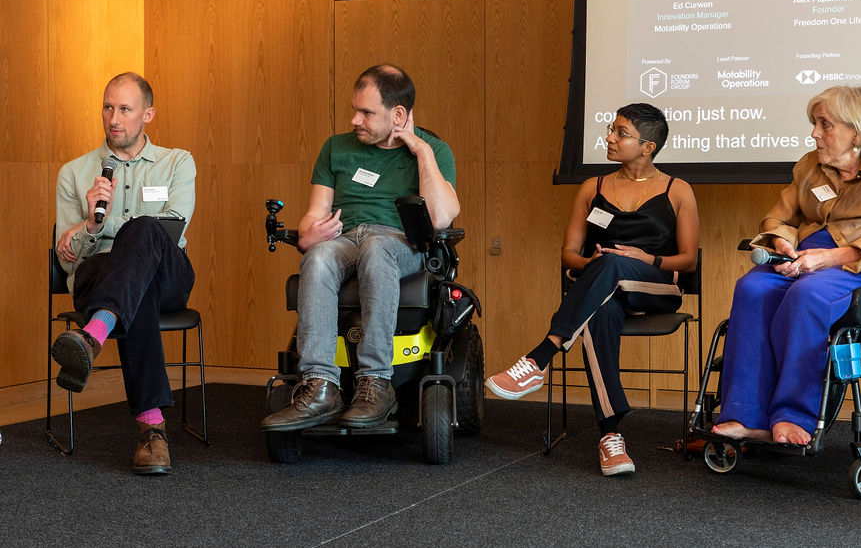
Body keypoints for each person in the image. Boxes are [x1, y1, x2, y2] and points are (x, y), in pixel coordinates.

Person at [486, 103, 699, 476]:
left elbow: (688, 261)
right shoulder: (592, 188)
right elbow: (569, 255)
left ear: (648, 147)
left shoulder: (677, 190)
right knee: (601, 306)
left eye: (620, 133)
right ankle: (610, 437)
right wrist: (593, 263)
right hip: (601, 288)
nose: (610, 138)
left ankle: (540, 356)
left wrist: (644, 258)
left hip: (657, 287)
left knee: (613, 266)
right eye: (610, 129)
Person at [712, 86, 861, 445]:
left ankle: (793, 415)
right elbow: (779, 218)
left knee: (807, 296)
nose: (814, 133)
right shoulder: (810, 166)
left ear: (856, 132)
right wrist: (782, 243)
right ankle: (744, 413)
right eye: (815, 124)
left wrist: (832, 257)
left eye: (824, 125)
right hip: (802, 259)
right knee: (751, 288)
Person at [260, 64, 458, 433]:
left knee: (377, 248)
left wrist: (420, 151)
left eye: (366, 112)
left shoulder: (434, 151)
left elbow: (443, 217)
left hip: (399, 242)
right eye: (355, 109)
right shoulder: (335, 148)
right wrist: (311, 234)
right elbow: (311, 219)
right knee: (318, 257)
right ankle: (321, 386)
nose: (355, 119)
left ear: (398, 114)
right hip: (344, 239)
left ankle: (376, 382)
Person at [50, 72, 197, 475]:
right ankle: (153, 430)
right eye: (108, 107)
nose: (114, 118)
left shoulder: (177, 162)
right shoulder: (74, 173)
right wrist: (90, 228)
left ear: (147, 114)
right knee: (138, 288)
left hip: (170, 273)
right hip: (98, 276)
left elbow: (173, 225)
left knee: (146, 231)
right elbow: (68, 261)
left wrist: (99, 226)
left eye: (125, 109)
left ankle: (92, 335)